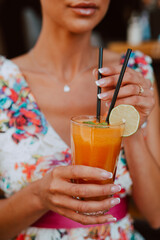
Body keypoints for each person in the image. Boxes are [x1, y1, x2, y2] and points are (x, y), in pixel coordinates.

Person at [0, 0, 159, 239]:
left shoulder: (134, 75)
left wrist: (130, 125)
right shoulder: (4, 84)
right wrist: (39, 196)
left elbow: (156, 214)